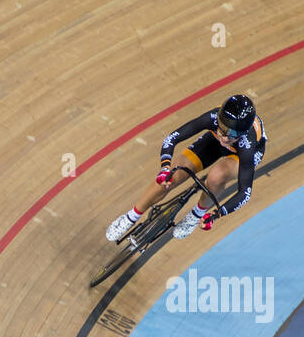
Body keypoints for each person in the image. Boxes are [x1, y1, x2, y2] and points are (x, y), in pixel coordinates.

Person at [106, 94, 267, 242]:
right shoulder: (213, 118)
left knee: (217, 175)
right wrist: (165, 168)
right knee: (173, 174)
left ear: (242, 134)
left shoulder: (247, 144)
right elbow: (172, 138)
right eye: (223, 129)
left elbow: (245, 192)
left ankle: (196, 213)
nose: (224, 137)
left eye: (231, 135)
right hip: (212, 141)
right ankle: (130, 217)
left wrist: (215, 215)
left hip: (240, 155)